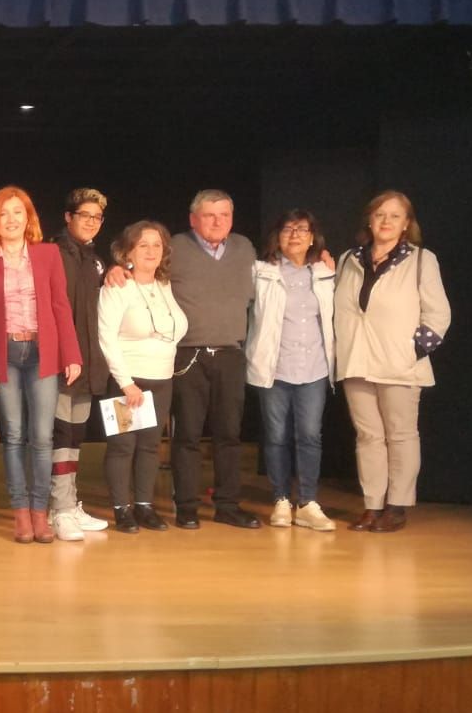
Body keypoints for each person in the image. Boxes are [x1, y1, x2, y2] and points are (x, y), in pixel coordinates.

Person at [334, 190, 451, 533]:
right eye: (380, 215)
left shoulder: (420, 260)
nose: (386, 221)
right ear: (369, 220)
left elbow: (439, 313)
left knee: (400, 436)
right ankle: (372, 505)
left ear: (407, 224)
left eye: (394, 216)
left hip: (399, 365)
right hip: (356, 360)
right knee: (368, 436)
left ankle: (396, 506)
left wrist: (411, 350)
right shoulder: (348, 259)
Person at [0, 186, 82, 545]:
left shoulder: (48, 254)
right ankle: (21, 513)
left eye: (18, 212)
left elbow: (61, 307)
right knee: (15, 434)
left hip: (41, 352)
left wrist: (72, 354)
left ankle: (40, 512)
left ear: (28, 217)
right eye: (3, 214)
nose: (11, 219)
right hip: (6, 354)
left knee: (42, 436)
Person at [166, 189, 259, 529]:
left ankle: (228, 505)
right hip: (188, 354)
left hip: (231, 353)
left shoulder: (244, 248)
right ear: (194, 219)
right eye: (209, 215)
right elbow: (141, 271)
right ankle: (187, 506)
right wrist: (120, 269)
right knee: (187, 434)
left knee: (229, 434)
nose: (218, 221)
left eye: (224, 215)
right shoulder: (174, 247)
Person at [247, 209, 337, 532]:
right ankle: (281, 499)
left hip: (314, 367)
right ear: (277, 236)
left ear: (313, 237)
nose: (295, 235)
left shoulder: (325, 271)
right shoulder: (261, 271)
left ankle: (308, 502)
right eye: (288, 229)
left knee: (310, 435)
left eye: (302, 230)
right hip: (275, 367)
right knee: (276, 436)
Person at [97, 221, 188, 533]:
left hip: (161, 379)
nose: (151, 251)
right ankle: (122, 509)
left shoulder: (164, 285)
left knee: (150, 447)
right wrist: (126, 383)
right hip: (129, 380)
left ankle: (145, 507)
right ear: (128, 251)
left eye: (157, 245)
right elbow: (106, 338)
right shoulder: (117, 286)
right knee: (124, 447)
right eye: (143, 245)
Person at [48, 188, 113, 541]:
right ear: (68, 217)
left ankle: (68, 504)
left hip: (89, 364)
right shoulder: (53, 254)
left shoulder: (95, 260)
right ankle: (58, 509)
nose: (90, 222)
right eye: (84, 215)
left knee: (75, 436)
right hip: (61, 365)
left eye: (97, 217)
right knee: (59, 434)